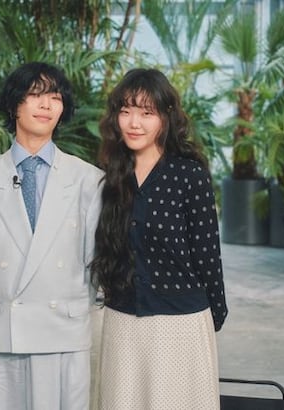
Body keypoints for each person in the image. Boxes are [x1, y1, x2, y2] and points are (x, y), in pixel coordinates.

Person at [90, 68, 228, 410]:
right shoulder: (109, 176)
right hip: (122, 321)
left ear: (165, 118)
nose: (134, 123)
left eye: (146, 113)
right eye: (126, 111)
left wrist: (214, 313)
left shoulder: (189, 175)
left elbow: (207, 253)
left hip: (179, 323)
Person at [0, 62, 103, 410]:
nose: (46, 105)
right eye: (35, 94)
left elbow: (93, 263)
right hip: (7, 329)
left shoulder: (89, 180)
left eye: (55, 97)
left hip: (65, 330)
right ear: (14, 103)